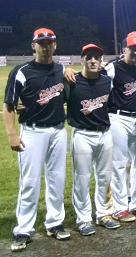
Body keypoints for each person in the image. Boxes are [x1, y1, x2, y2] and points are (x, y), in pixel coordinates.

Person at [4, 28, 70, 251]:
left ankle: (55, 223)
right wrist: (12, 133)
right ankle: (23, 230)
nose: (45, 46)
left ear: (55, 45)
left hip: (58, 131)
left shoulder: (60, 69)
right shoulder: (21, 71)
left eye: (49, 42)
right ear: (33, 46)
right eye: (41, 42)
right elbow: (9, 105)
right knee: (29, 182)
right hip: (32, 132)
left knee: (57, 179)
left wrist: (68, 73)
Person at [67, 44, 120, 236]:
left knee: (105, 177)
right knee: (81, 179)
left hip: (105, 133)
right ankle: (83, 219)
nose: (93, 61)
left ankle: (104, 214)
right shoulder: (72, 81)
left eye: (96, 57)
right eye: (88, 57)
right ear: (82, 60)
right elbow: (53, 99)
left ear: (100, 60)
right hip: (82, 134)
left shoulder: (107, 82)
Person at [104, 36, 136, 220]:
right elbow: (100, 89)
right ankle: (119, 206)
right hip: (117, 117)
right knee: (119, 162)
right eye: (132, 47)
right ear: (124, 49)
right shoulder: (113, 67)